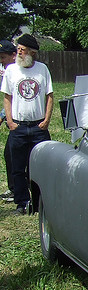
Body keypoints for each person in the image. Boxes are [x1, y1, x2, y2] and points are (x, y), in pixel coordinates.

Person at [0, 34, 53, 215]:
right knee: (17, 167)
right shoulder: (11, 71)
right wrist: (10, 121)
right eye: (18, 50)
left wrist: (46, 120)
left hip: (39, 127)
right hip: (19, 127)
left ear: (32, 52)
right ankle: (22, 203)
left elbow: (49, 96)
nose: (19, 53)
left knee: (39, 167)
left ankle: (39, 203)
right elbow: (7, 97)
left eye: (22, 50)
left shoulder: (42, 69)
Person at [0, 39, 17, 203]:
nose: (1, 61)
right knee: (10, 154)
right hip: (12, 120)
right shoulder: (7, 72)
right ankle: (15, 188)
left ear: (14, 55)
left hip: (23, 122)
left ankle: (18, 189)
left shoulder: (16, 71)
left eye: (3, 57)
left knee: (13, 154)